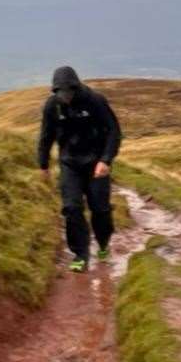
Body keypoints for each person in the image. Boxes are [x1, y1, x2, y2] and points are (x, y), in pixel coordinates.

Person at [36, 65, 123, 272]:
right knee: (72, 208)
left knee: (99, 209)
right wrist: (43, 165)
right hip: (70, 163)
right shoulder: (52, 106)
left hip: (96, 163)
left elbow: (113, 131)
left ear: (75, 88)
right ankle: (80, 254)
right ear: (55, 91)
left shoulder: (95, 101)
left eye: (68, 91)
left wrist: (106, 160)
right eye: (60, 92)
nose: (65, 96)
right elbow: (46, 136)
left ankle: (103, 243)